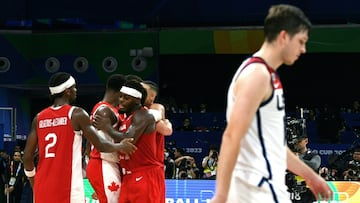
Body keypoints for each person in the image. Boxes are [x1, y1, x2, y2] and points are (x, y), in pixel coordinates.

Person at [210, 4, 333, 203]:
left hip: (265, 187)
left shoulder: (265, 75)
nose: (304, 49)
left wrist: (311, 176)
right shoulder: (257, 75)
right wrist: (221, 196)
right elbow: (232, 136)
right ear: (284, 36)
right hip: (255, 188)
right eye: (301, 41)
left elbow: (273, 144)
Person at [22, 72, 137, 203]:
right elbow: (101, 145)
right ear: (67, 92)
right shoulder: (76, 114)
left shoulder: (38, 118)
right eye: (74, 88)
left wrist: (33, 182)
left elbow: (27, 157)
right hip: (68, 186)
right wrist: (121, 146)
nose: (76, 91)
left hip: (42, 186)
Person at [94, 80, 164, 203]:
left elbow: (129, 139)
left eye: (126, 98)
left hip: (145, 174)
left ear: (137, 100)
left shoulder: (143, 115)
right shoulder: (127, 118)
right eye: (120, 96)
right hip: (128, 176)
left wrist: (107, 128)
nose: (121, 100)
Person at [86, 74, 127, 203]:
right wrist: (121, 146)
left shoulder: (105, 109)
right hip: (103, 163)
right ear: (119, 92)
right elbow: (99, 144)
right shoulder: (105, 111)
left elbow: (89, 141)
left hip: (104, 164)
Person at [285, 117, 321, 203]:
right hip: (289, 195)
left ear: (306, 141)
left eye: (298, 141)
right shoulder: (287, 156)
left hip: (307, 196)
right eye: (295, 141)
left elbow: (314, 165)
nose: (296, 143)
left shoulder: (313, 155)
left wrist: (297, 159)